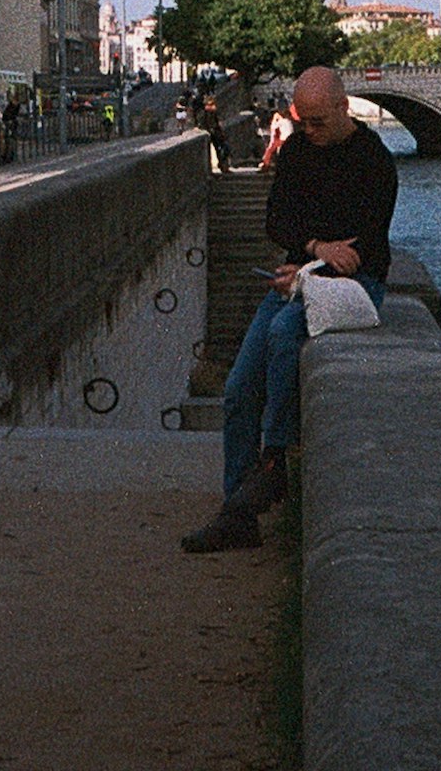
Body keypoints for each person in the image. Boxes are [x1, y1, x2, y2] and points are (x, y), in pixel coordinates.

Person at [183, 65, 398, 553]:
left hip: (354, 286)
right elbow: (278, 222)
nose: (310, 131)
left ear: (344, 108)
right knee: (238, 390)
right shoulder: (298, 151)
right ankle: (237, 512)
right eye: (305, 121)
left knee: (284, 332)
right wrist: (314, 252)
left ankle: (275, 456)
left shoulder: (374, 161)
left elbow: (364, 250)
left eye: (319, 122)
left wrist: (310, 259)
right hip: (299, 277)